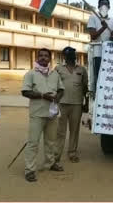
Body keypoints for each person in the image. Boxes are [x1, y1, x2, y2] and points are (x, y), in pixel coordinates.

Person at [21, 48, 64, 182]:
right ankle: (30, 170)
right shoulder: (31, 74)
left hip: (52, 113)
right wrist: (41, 95)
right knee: (33, 142)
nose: (44, 58)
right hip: (37, 113)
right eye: (41, 56)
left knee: (51, 141)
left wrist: (58, 97)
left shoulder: (54, 74)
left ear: (50, 58)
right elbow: (25, 92)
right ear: (37, 58)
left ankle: (50, 163)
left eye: (46, 56)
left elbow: (61, 89)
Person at [53, 47, 88, 164]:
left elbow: (85, 88)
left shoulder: (82, 70)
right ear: (64, 57)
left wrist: (86, 104)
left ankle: (72, 153)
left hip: (77, 104)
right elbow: (53, 86)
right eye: (68, 55)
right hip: (61, 104)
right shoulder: (58, 69)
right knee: (60, 131)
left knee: (74, 130)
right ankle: (56, 155)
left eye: (73, 55)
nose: (71, 57)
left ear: (75, 56)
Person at [86, 0, 113, 92]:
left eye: (106, 4)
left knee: (109, 77)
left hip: (109, 54)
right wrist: (103, 27)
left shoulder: (112, 20)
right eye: (102, 4)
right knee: (98, 76)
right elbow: (93, 36)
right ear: (98, 6)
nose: (104, 6)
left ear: (109, 7)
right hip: (97, 53)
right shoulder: (93, 17)